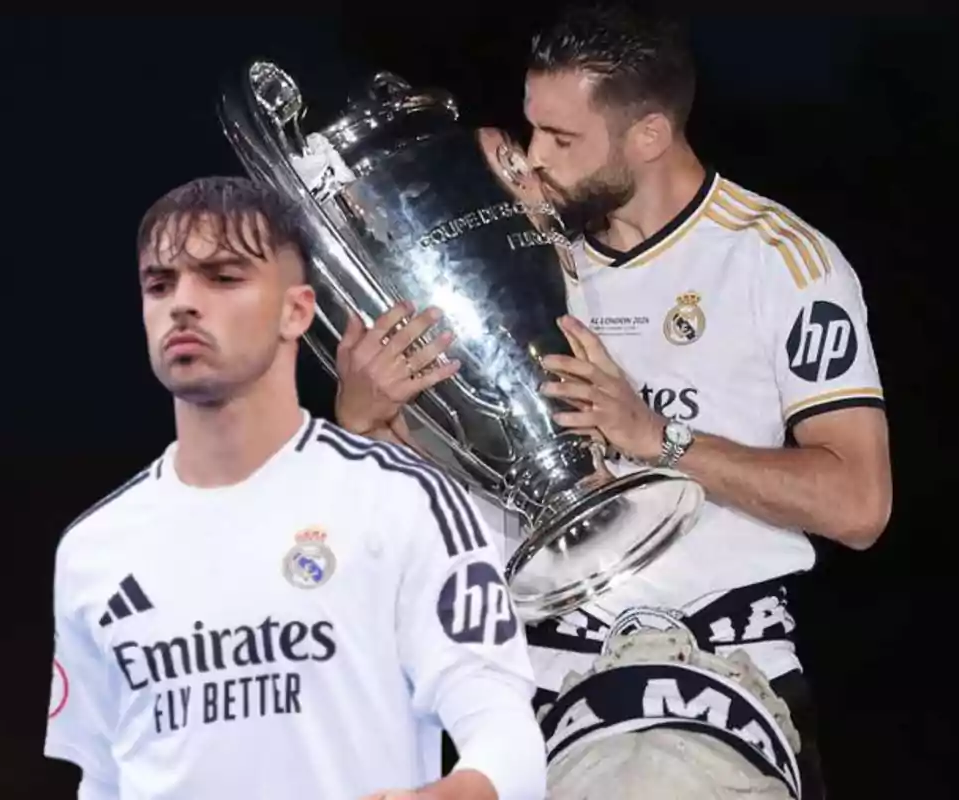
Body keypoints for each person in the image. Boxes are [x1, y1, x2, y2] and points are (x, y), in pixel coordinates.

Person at [333, 3, 892, 797]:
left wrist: (655, 436)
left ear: (649, 135)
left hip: (719, 681)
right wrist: (363, 422)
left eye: (562, 141)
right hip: (531, 702)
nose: (531, 160)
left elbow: (860, 504)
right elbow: (426, 492)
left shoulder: (779, 261)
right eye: (532, 130)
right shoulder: (515, 252)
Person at [43, 176, 547, 800]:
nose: (183, 303)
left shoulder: (400, 500)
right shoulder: (93, 549)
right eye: (159, 284)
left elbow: (503, 730)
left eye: (223, 278)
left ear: (297, 311)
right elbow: (101, 780)